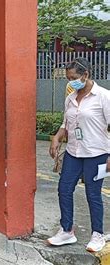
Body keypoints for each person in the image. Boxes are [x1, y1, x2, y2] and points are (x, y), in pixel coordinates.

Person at [47, 58, 110, 252]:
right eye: (68, 79)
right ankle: (67, 230)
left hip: (97, 153)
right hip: (74, 152)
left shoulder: (103, 96)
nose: (71, 82)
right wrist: (57, 138)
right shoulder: (70, 98)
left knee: (93, 194)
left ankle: (97, 234)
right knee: (64, 189)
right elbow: (66, 123)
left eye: (73, 78)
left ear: (86, 75)